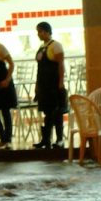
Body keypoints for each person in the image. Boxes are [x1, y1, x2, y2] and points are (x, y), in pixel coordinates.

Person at [33, 21, 66, 149]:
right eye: (38, 32)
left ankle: (59, 139)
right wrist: (37, 85)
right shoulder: (42, 47)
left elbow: (61, 65)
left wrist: (61, 82)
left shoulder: (56, 45)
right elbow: (40, 68)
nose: (38, 34)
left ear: (47, 31)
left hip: (53, 84)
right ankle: (46, 139)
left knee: (56, 112)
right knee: (47, 112)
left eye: (40, 31)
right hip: (43, 85)